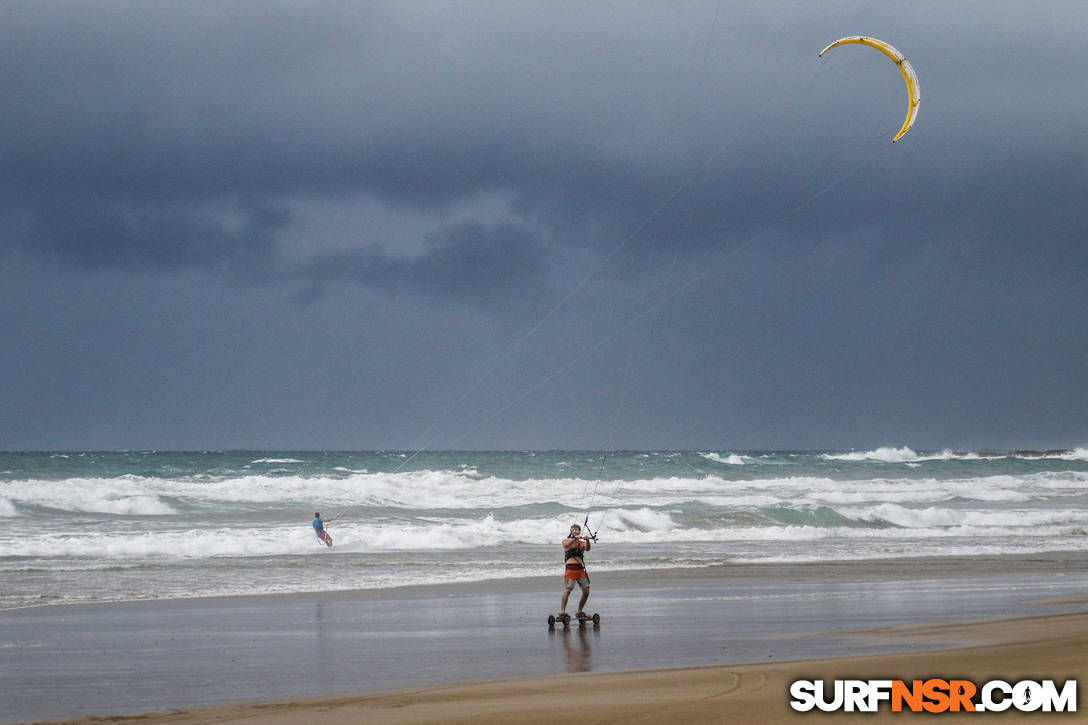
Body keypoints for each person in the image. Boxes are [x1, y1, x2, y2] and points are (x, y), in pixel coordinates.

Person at [561, 523, 592, 618]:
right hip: (571, 569)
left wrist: (586, 540)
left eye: (576, 529)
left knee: (586, 590)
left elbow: (587, 548)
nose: (574, 531)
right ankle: (563, 611)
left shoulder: (581, 543)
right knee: (568, 589)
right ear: (570, 531)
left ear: (579, 531)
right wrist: (575, 538)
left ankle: (579, 611)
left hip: (580, 570)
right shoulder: (566, 540)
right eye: (573, 529)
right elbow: (566, 544)